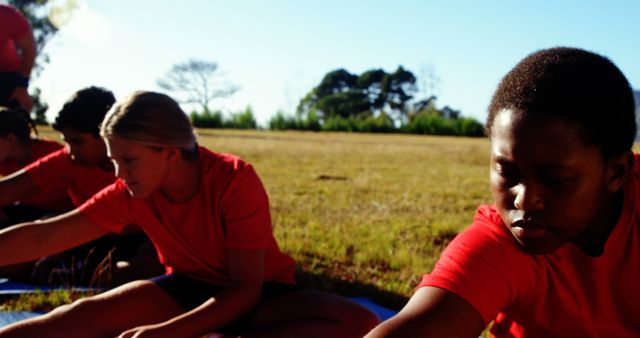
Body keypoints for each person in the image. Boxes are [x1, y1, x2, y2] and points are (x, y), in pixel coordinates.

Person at [0, 91, 379, 337]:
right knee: (74, 319)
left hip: (264, 295)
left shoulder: (233, 179)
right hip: (186, 287)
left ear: (169, 150)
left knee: (357, 322)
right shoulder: (131, 191)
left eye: (128, 160)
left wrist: (167, 332)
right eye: (115, 161)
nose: (119, 174)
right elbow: (43, 235)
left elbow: (246, 289)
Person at [365, 47, 640, 337]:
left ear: (616, 172)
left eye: (555, 177)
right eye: (508, 173)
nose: (524, 199)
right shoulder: (503, 243)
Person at [0, 86, 161, 286]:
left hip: (140, 239)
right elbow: (9, 190)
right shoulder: (68, 160)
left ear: (106, 134)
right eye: (67, 142)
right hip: (90, 238)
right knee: (20, 260)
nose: (72, 151)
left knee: (138, 266)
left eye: (78, 142)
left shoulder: (141, 166)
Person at [0, 106, 72, 226]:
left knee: (46, 224)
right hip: (27, 210)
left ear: (10, 139)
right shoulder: (5, 160)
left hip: (61, 212)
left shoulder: (51, 152)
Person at [0, 4, 36, 110]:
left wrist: (22, 87)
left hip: (7, 74)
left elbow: (29, 48)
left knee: (18, 113)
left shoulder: (6, 15)